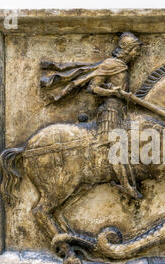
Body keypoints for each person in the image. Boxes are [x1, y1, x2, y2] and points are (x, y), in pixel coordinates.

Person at [40, 32, 143, 199]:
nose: (137, 54)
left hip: (122, 111)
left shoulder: (123, 66)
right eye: (135, 51)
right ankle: (126, 186)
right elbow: (93, 87)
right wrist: (113, 92)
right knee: (115, 146)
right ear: (128, 50)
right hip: (110, 112)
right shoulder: (111, 64)